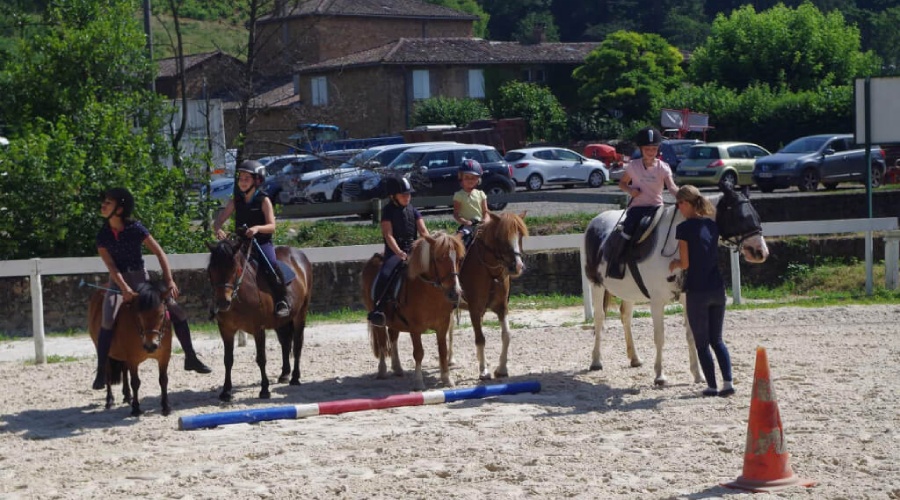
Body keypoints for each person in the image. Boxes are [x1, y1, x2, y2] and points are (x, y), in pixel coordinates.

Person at [93, 187, 211, 390]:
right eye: (103, 202)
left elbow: (160, 253)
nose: (103, 206)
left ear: (119, 209)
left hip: (141, 279)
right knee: (108, 317)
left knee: (177, 312)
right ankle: (101, 369)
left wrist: (169, 280)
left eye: (108, 203)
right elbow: (111, 266)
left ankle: (190, 356)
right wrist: (123, 288)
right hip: (117, 282)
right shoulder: (103, 235)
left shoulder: (136, 228)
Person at [668, 185, 735, 397]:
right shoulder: (712, 225)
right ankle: (728, 383)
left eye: (680, 203)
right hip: (717, 288)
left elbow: (686, 263)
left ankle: (712, 386)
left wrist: (675, 264)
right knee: (718, 340)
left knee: (702, 343)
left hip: (697, 291)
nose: (678, 208)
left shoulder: (684, 228)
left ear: (687, 203)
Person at [213, 160, 291, 318]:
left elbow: (271, 226)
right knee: (221, 264)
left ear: (257, 181)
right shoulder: (236, 200)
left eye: (246, 179)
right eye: (241, 179)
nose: (242, 182)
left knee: (271, 265)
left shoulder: (264, 200)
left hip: (261, 243)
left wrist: (256, 229)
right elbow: (220, 219)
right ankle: (217, 301)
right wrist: (218, 228)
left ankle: (281, 300)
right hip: (241, 243)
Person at [608, 126, 680, 278]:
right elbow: (622, 183)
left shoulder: (663, 167)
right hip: (638, 208)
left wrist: (681, 195)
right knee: (628, 229)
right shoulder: (633, 166)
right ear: (641, 149)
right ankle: (617, 261)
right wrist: (630, 191)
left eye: (654, 148)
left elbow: (671, 187)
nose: (650, 151)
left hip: (657, 207)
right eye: (647, 148)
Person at [367, 176, 430, 327]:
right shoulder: (388, 211)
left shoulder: (413, 210)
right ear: (392, 196)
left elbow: (424, 231)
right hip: (394, 252)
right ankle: (379, 309)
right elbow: (388, 235)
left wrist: (432, 245)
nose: (407, 197)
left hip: (413, 249)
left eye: (408, 194)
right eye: (403, 195)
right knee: (386, 274)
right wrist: (398, 252)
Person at [453, 159, 491, 247]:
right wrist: (465, 222)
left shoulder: (481, 194)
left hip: (481, 225)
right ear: (461, 178)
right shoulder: (459, 195)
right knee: (460, 241)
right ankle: (460, 259)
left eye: (473, 178)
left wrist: (486, 220)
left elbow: (486, 211)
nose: (470, 180)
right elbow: (456, 214)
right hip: (468, 226)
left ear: (478, 179)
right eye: (467, 177)